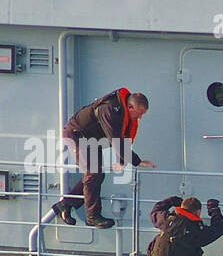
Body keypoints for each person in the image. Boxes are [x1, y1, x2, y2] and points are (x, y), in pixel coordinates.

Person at [53, 89, 156, 229]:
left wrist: (121, 161)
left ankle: (65, 204)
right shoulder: (108, 110)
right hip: (77, 136)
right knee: (93, 173)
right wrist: (137, 161)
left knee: (97, 175)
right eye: (138, 113)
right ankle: (92, 216)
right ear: (130, 107)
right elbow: (116, 140)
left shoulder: (121, 112)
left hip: (92, 140)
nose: (139, 117)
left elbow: (122, 138)